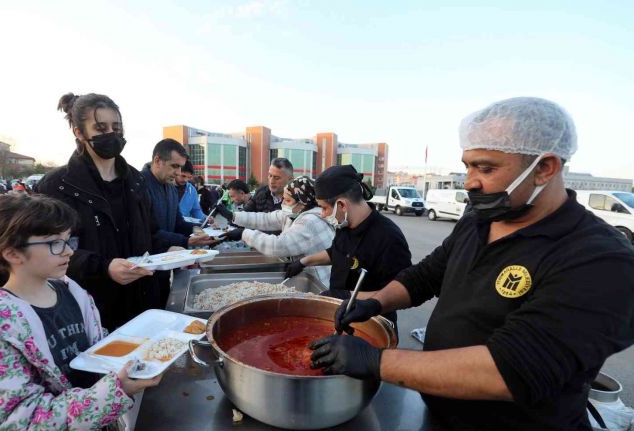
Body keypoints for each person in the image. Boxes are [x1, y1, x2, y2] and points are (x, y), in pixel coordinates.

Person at [309, 97, 634, 430]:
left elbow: (512, 371)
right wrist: (374, 301)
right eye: (468, 166)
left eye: (486, 168)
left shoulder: (600, 260)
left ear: (544, 168)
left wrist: (374, 360)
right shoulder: (478, 221)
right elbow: (425, 276)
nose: (469, 182)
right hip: (439, 413)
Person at [0, 194, 161, 429]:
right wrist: (116, 392)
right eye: (54, 243)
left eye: (68, 240)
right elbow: (16, 423)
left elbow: (95, 352)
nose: (69, 251)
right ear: (12, 253)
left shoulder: (72, 293)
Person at [37, 92, 168, 330]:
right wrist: (104, 267)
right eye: (100, 127)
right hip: (90, 307)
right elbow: (47, 250)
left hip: (143, 301)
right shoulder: (56, 185)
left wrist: (173, 250)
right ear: (79, 132)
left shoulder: (136, 180)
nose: (111, 134)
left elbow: (152, 234)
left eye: (116, 127)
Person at [284, 165, 412, 324]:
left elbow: (400, 293)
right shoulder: (344, 225)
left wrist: (348, 296)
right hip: (338, 316)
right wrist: (304, 262)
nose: (322, 215)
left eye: (324, 208)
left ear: (342, 205)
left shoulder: (388, 238)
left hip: (370, 323)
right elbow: (337, 253)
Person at [220, 177, 335, 285]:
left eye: (287, 200)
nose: (283, 204)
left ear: (302, 202)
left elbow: (278, 245)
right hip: (308, 275)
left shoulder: (310, 221)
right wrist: (233, 216)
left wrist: (243, 234)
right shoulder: (294, 213)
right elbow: (266, 219)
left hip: (320, 281)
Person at [141, 139, 217, 250]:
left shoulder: (171, 189)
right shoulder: (138, 186)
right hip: (145, 262)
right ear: (157, 161)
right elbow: (146, 233)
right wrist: (185, 241)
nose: (178, 172)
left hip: (169, 260)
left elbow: (178, 223)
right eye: (174, 166)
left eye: (180, 167)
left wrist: (204, 229)